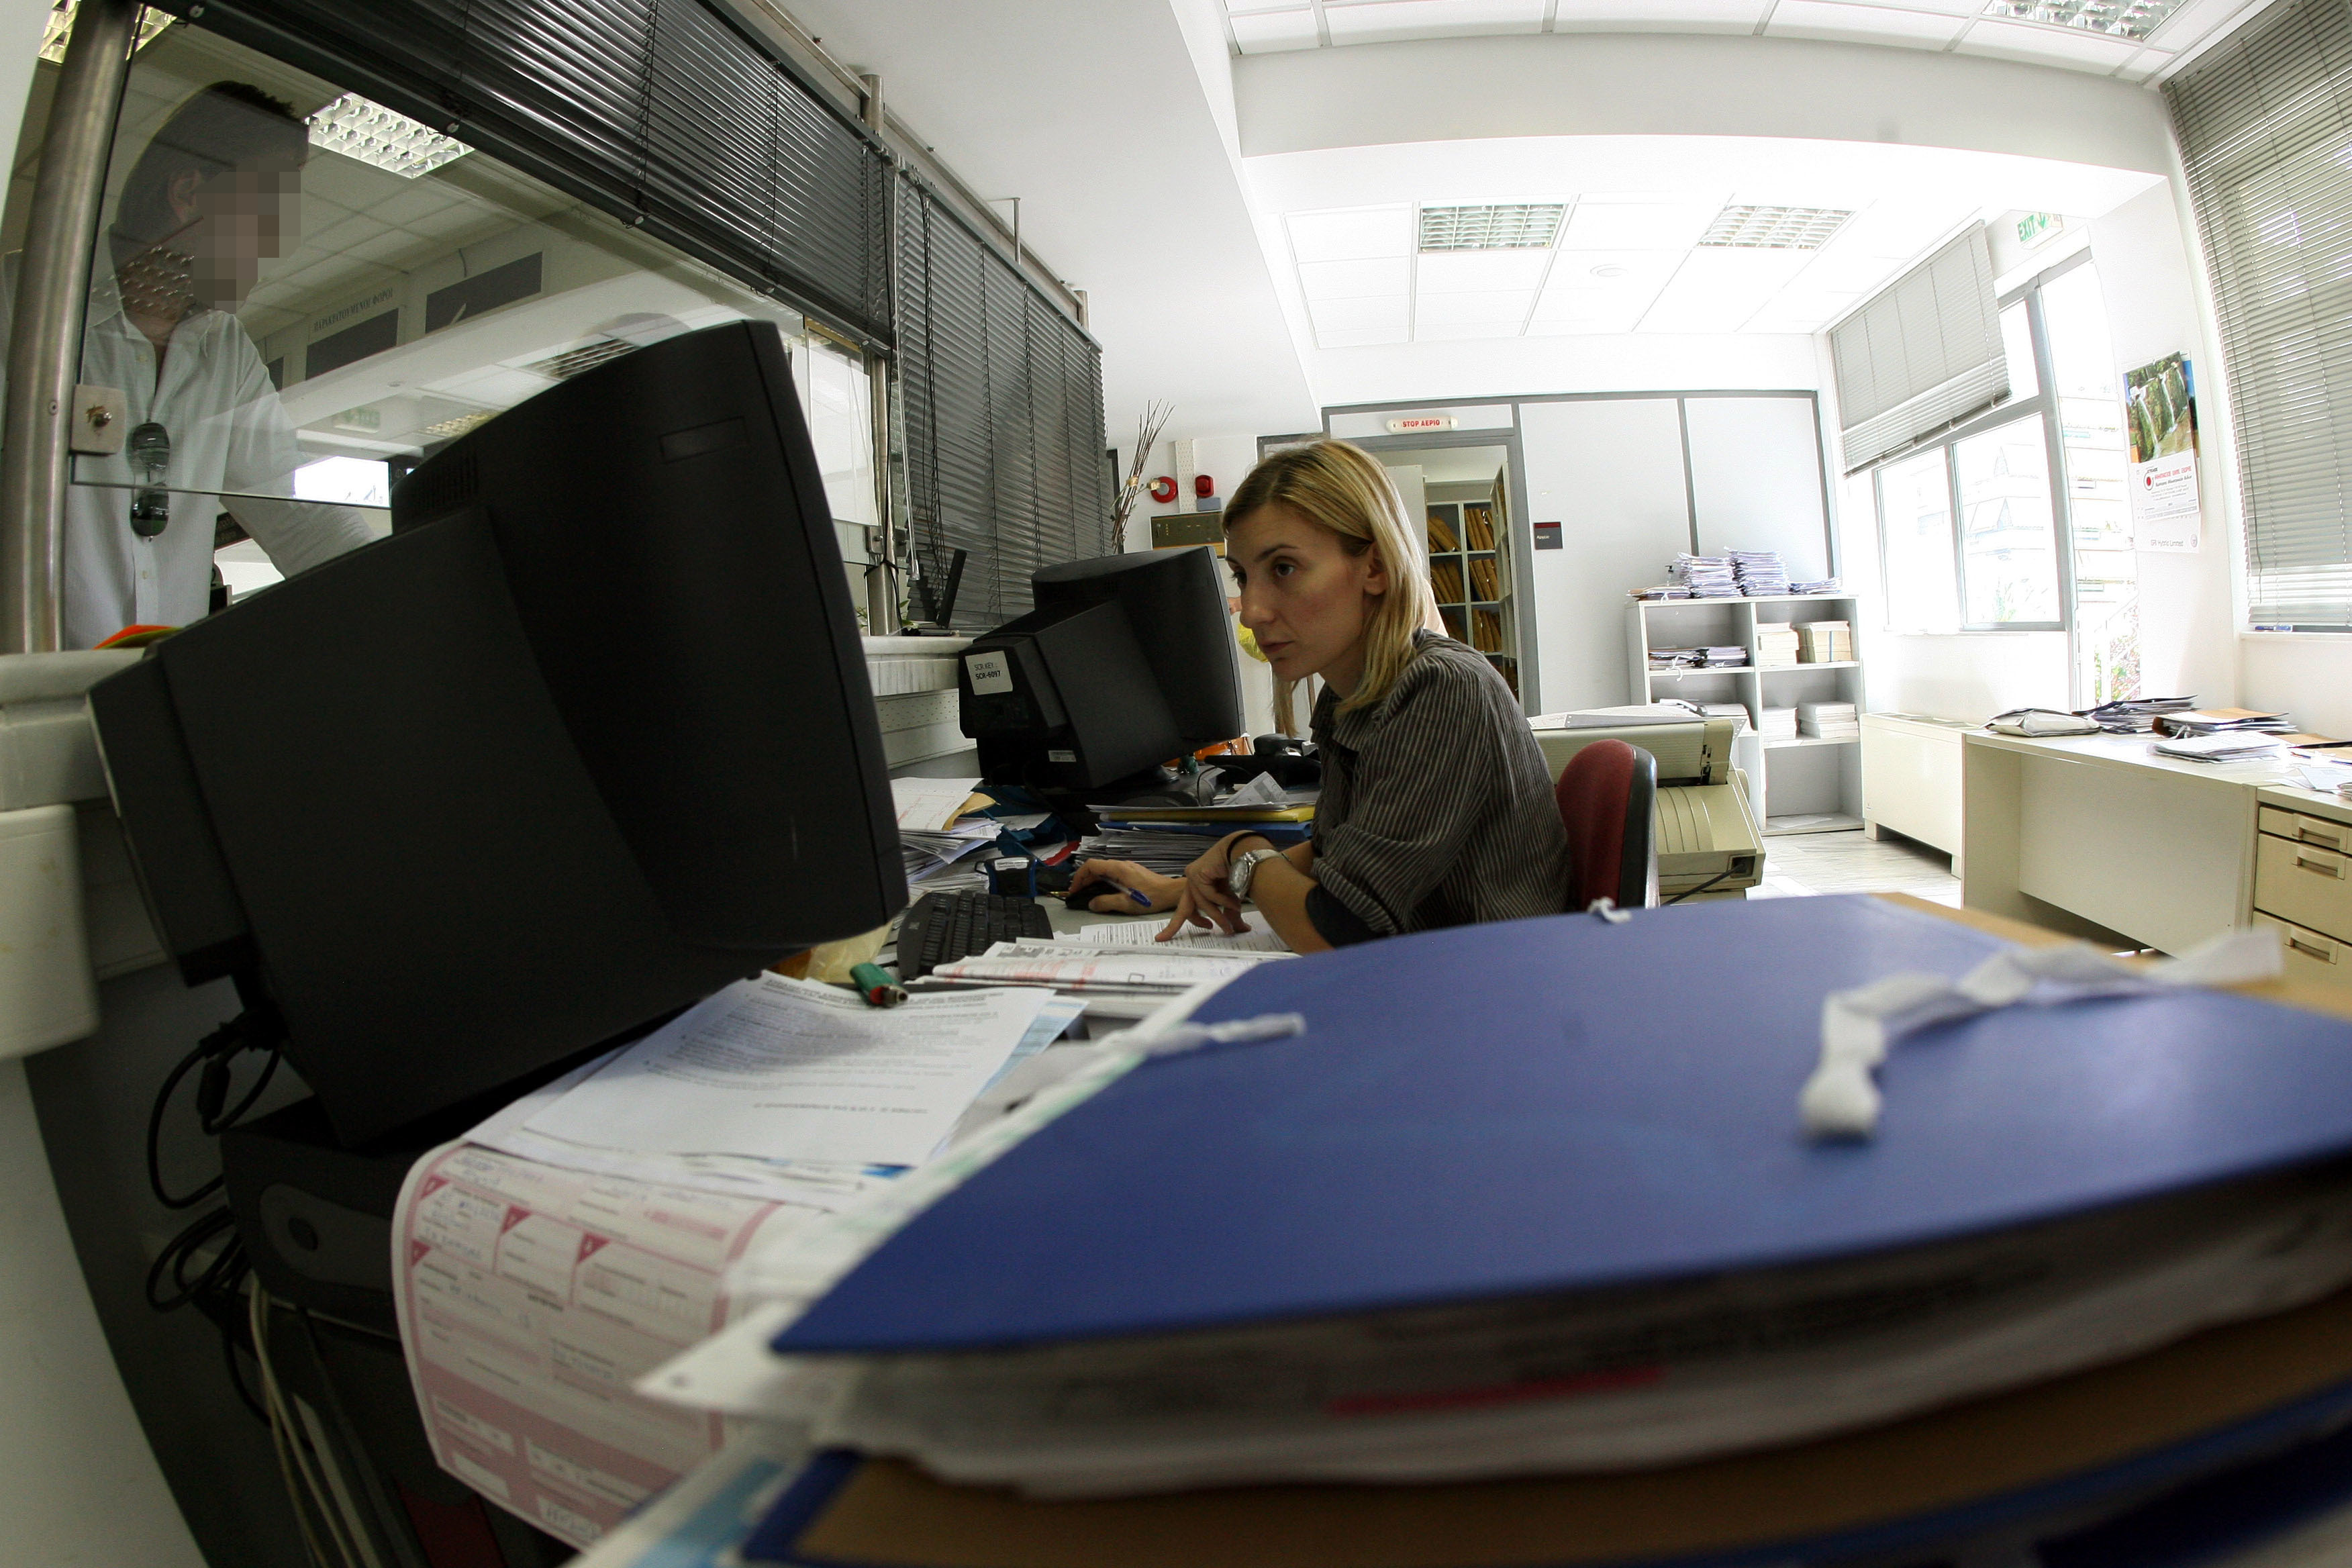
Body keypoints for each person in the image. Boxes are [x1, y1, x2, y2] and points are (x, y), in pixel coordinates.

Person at [1069, 440, 1571, 952]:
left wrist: (1244, 849)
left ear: (1375, 567)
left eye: (1284, 568)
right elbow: (1335, 858)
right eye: (1243, 576)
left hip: (1491, 980)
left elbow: (1337, 930)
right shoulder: (1349, 695)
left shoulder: (1442, 689)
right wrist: (1176, 889)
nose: (1252, 611)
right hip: (1435, 963)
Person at [1, 81, 375, 648]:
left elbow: (302, 520)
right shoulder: (20, 306)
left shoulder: (224, 350)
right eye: (267, 212)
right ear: (190, 194)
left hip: (151, 691)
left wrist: (409, 602)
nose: (276, 244)